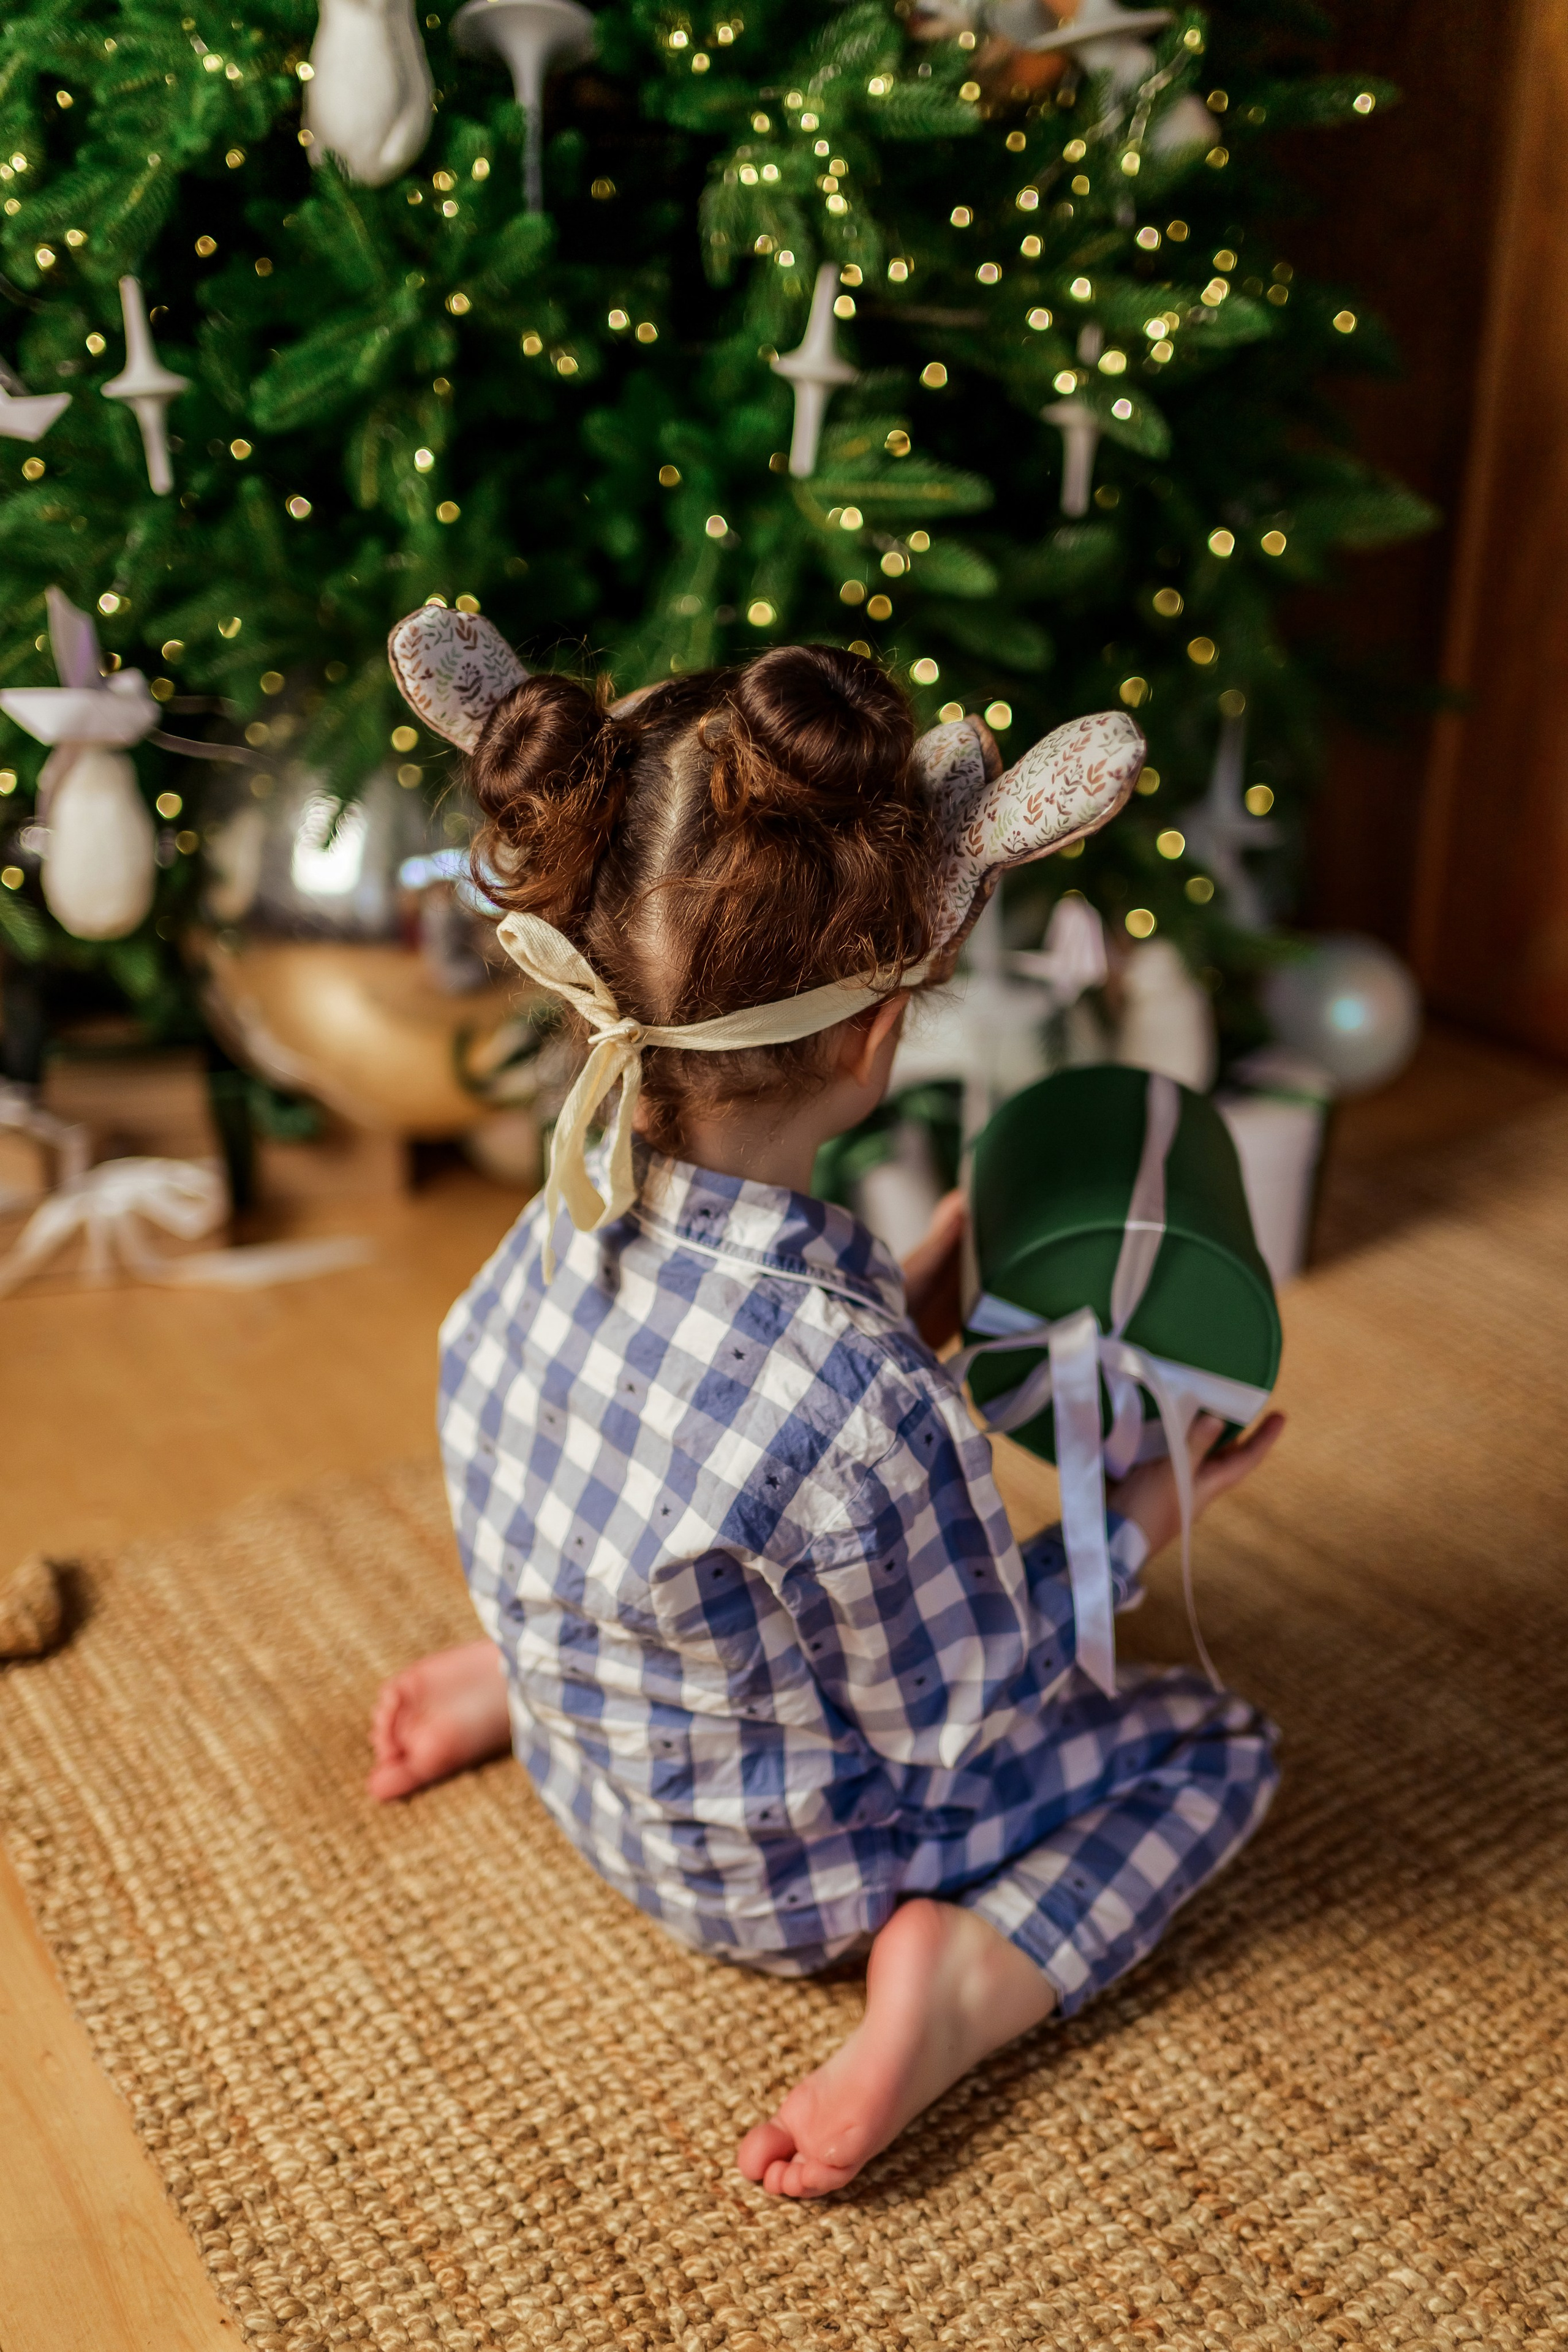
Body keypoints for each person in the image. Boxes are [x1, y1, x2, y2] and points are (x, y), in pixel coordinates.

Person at [369, 645, 1284, 2199]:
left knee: (669, 1527)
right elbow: (968, 1714)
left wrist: (910, 1292)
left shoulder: (563, 1207)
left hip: (599, 1788)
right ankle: (956, 1992)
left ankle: (540, 1673)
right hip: (784, 1885)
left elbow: (709, 1385)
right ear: (874, 1041)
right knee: (1219, 1746)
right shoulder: (860, 1410)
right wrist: (1137, 1522)